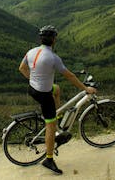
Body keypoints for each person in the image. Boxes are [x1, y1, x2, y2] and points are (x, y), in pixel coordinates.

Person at [19, 25, 96, 174]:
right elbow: (70, 76)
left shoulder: (31, 51)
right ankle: (48, 159)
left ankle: (56, 115)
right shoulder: (53, 58)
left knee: (57, 89)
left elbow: (22, 68)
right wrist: (85, 89)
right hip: (43, 94)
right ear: (54, 40)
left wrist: (33, 79)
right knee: (50, 126)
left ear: (41, 39)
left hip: (32, 88)